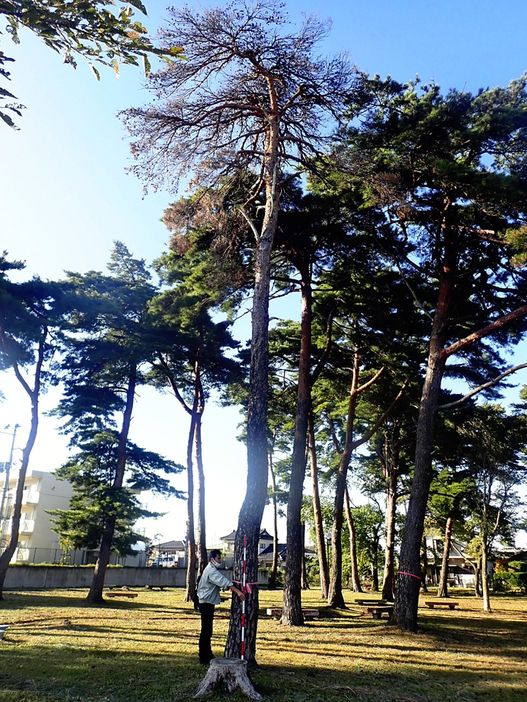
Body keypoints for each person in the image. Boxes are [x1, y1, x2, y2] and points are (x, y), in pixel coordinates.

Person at [197, 549, 245, 664]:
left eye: (220, 558)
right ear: (212, 559)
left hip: (207, 601)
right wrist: (238, 591)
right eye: (218, 558)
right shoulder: (211, 571)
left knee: (207, 630)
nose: (220, 561)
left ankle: (207, 654)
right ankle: (204, 656)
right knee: (206, 631)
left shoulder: (210, 569)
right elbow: (223, 581)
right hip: (205, 603)